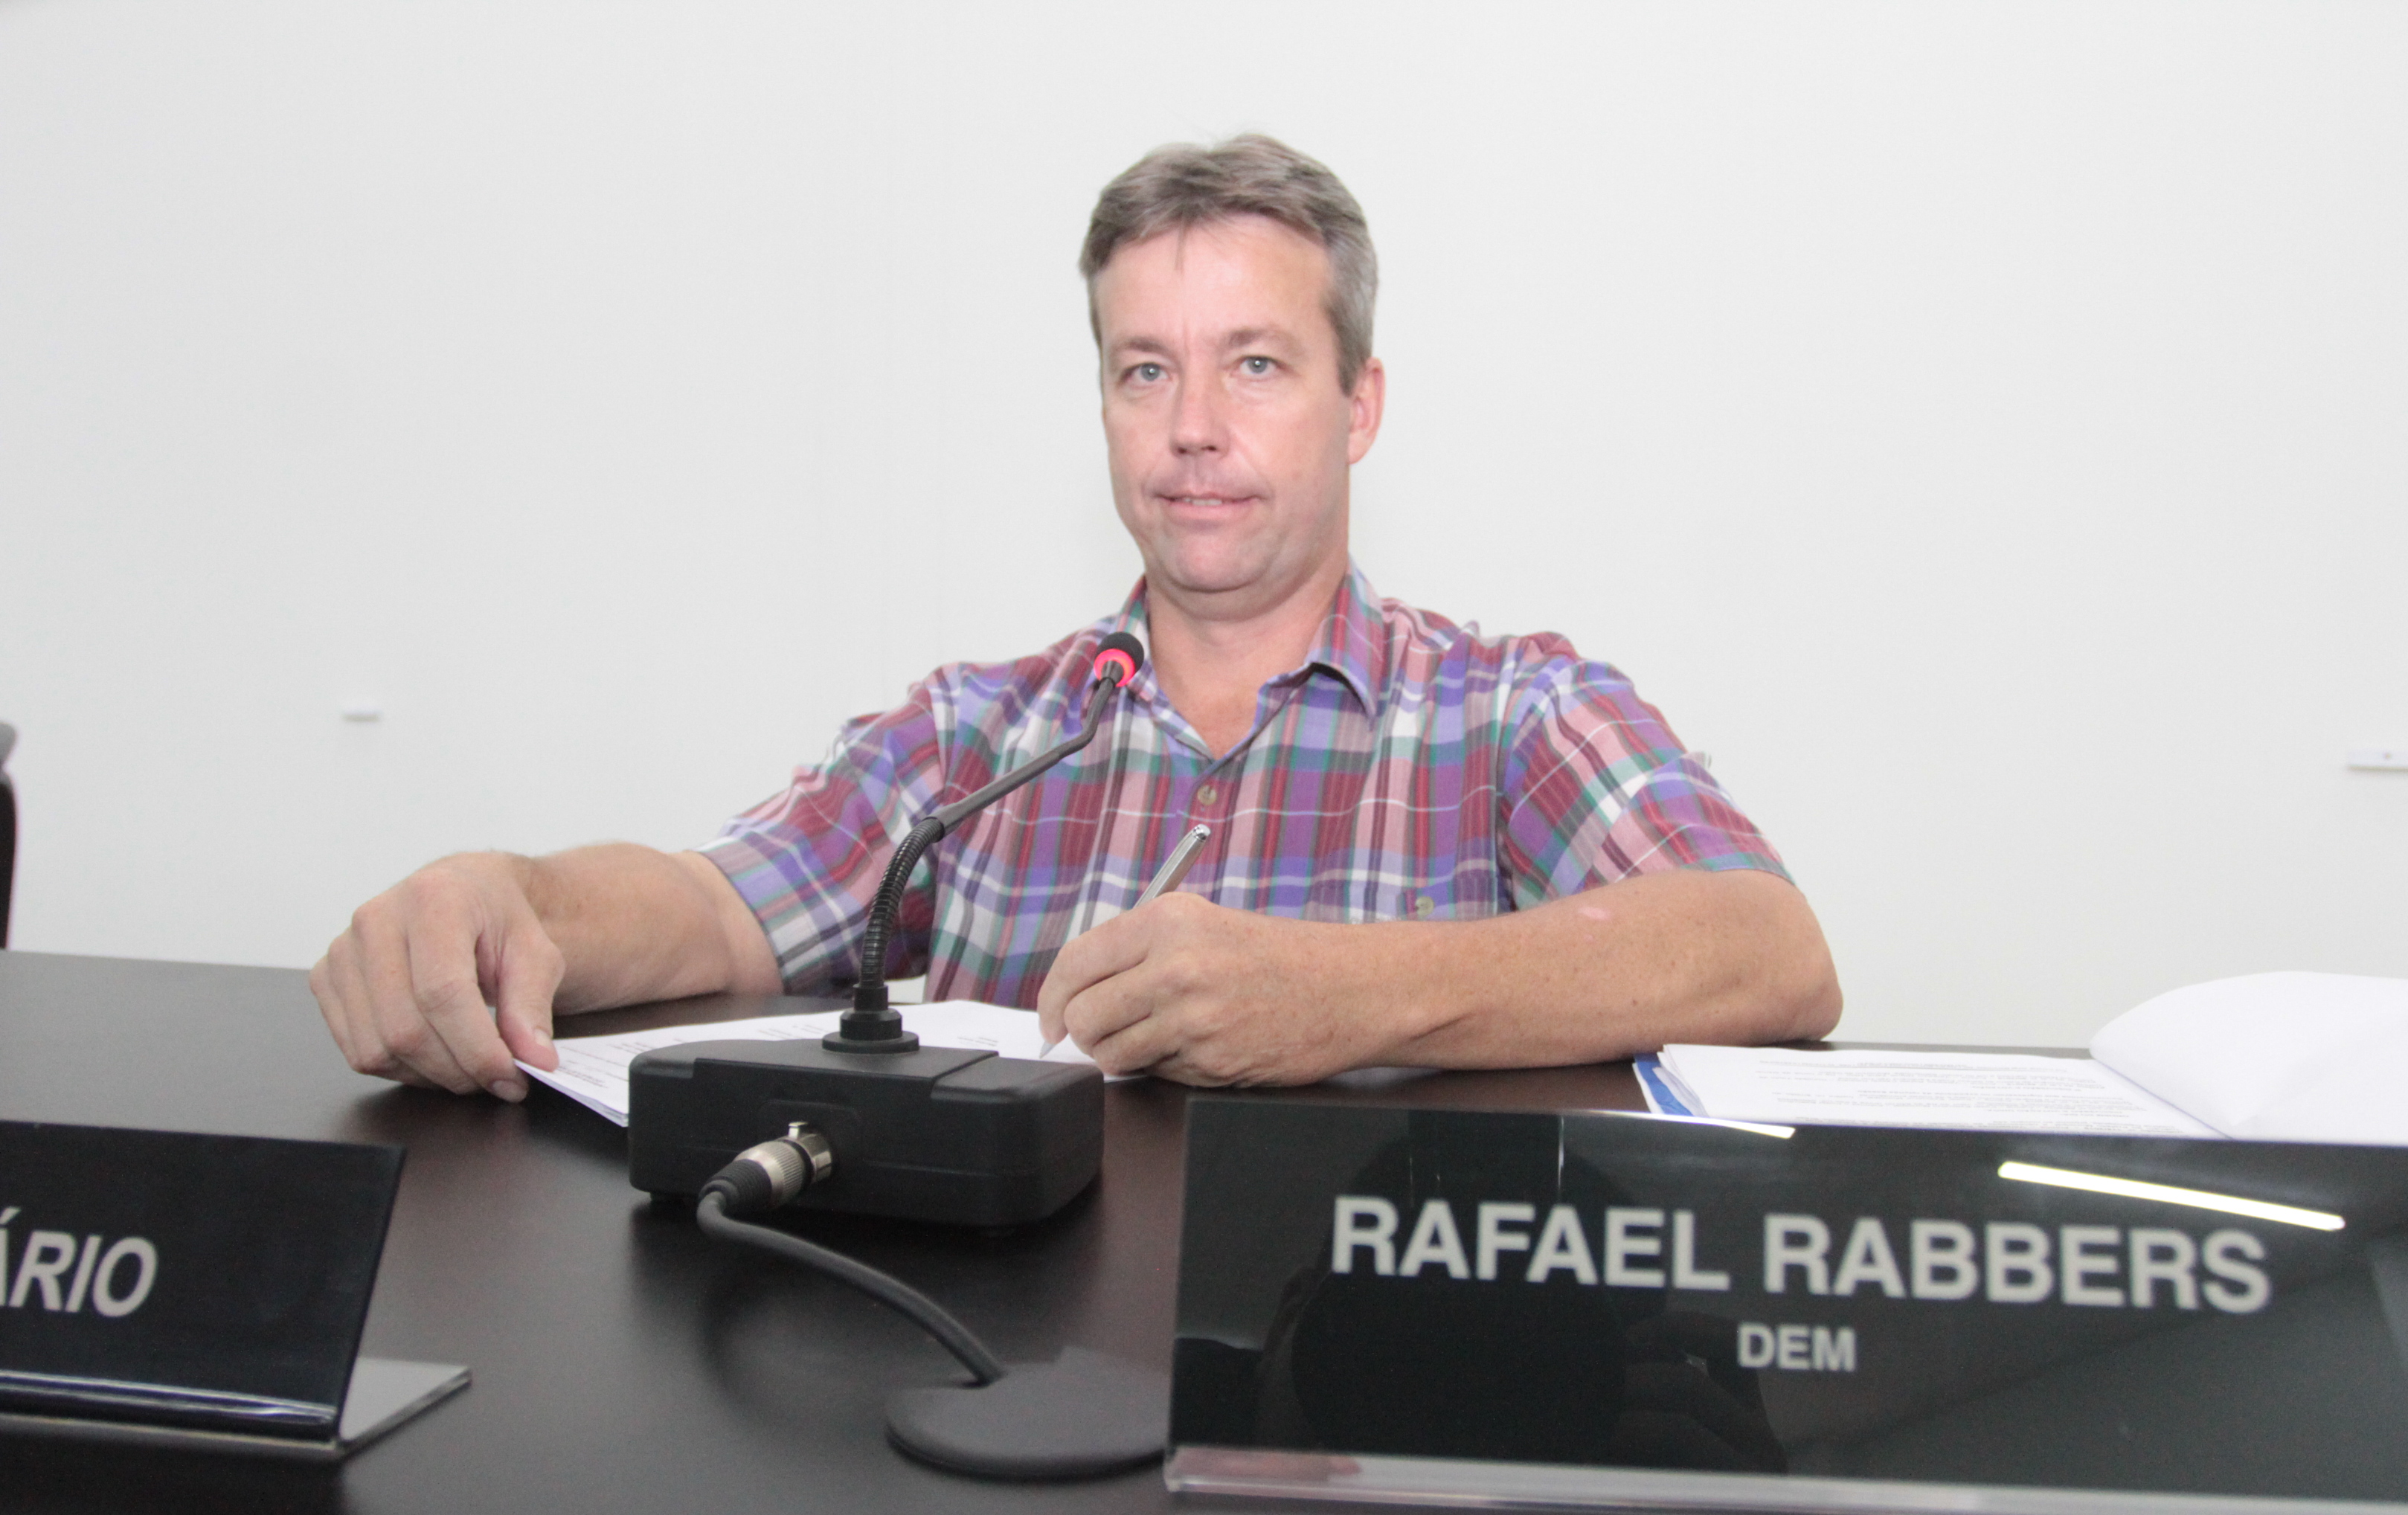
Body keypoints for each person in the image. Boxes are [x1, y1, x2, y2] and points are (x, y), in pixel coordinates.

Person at [311, 135, 1840, 1098]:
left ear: (1359, 405)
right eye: (1144, 370)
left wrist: (1349, 995)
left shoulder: (1507, 709)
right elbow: (720, 907)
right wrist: (515, 898)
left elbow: (1767, 950)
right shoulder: (983, 733)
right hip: (998, 1405)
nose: (1192, 427)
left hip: (1356, 1403)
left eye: (1255, 366)